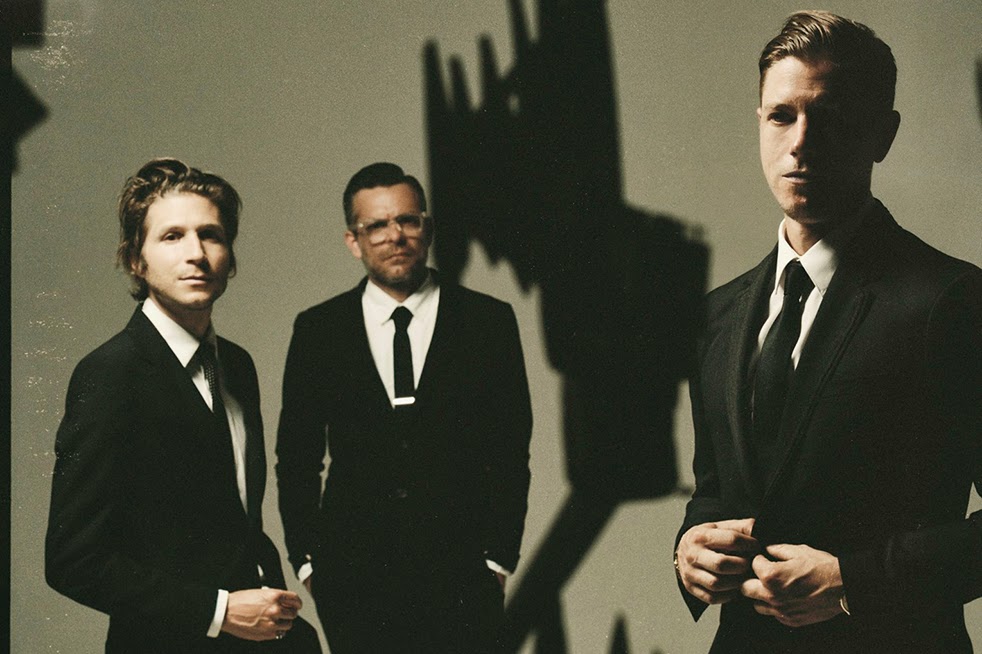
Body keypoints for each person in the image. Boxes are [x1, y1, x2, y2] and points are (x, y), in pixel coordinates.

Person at [674, 11, 981, 653]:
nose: (800, 143)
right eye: (781, 116)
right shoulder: (718, 315)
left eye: (831, 117)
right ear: (759, 123)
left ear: (882, 135)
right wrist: (691, 548)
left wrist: (853, 582)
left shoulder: (950, 300)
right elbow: (718, 493)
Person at [45, 158, 321, 653]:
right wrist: (218, 612)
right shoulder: (110, 374)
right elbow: (73, 560)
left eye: (210, 235)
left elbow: (235, 520)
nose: (196, 253)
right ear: (136, 259)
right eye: (172, 236)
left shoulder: (236, 365)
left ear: (229, 257)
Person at [276, 162, 533, 652]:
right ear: (354, 241)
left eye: (407, 221)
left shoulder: (488, 322)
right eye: (376, 225)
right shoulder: (319, 331)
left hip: (463, 578)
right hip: (351, 580)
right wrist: (308, 562)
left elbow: (509, 451)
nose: (395, 236)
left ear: (427, 229)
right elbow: (297, 459)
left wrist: (498, 558)